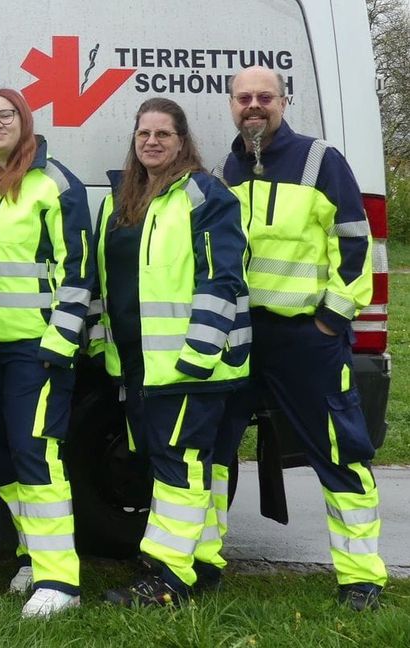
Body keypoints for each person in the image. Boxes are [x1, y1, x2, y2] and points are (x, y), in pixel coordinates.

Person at [211, 66, 388, 611]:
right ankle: (202, 562)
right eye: (245, 98)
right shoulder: (229, 166)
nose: (254, 106)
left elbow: (357, 247)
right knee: (215, 451)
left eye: (265, 97)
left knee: (339, 451)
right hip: (241, 336)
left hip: (305, 338)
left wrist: (331, 321)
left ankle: (360, 579)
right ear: (231, 105)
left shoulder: (319, 160)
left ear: (284, 102)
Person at [90, 97, 251, 607]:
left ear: (183, 141)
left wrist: (198, 356)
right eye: (144, 134)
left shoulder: (206, 196)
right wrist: (102, 346)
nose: (152, 141)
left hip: (188, 364)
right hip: (139, 362)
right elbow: (101, 279)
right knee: (174, 463)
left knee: (178, 465)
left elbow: (221, 279)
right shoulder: (121, 199)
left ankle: (168, 577)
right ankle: (200, 563)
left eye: (163, 133)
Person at [0, 88, 93, 617]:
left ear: (25, 120)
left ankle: (61, 581)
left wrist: (57, 344)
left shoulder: (54, 184)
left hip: (34, 351)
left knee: (37, 455)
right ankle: (33, 553)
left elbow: (77, 270)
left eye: (6, 114)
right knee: (0, 456)